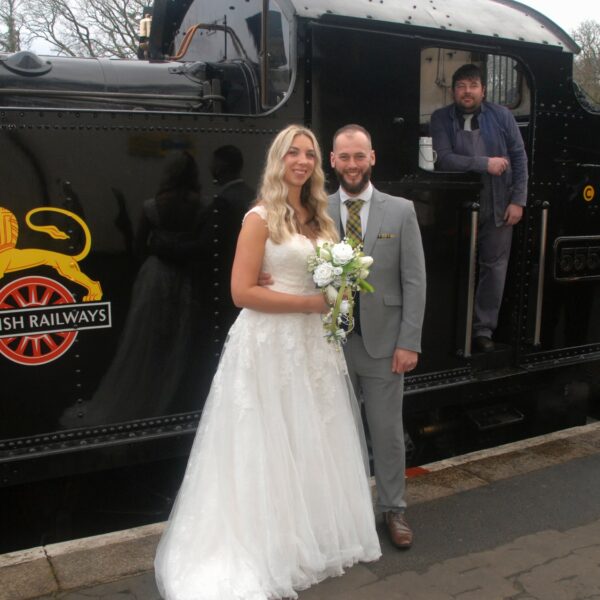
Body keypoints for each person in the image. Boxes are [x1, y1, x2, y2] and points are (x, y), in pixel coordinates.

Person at [154, 125, 381, 600]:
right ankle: (265, 545)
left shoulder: (320, 218)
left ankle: (306, 537)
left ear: (318, 164)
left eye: (309, 154)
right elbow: (242, 293)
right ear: (278, 160)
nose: (301, 160)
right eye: (292, 153)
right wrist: (310, 305)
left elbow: (328, 282)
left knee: (307, 435)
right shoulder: (259, 217)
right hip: (269, 343)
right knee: (267, 437)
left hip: (311, 346)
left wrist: (335, 297)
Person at [329, 124, 427, 549]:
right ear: (333, 161)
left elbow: (415, 281)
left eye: (359, 156)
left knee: (386, 432)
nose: (352, 165)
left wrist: (410, 341)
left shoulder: (401, 210)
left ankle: (393, 510)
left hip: (385, 344)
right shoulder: (315, 208)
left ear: (373, 158)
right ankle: (345, 516)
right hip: (329, 344)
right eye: (344, 157)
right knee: (337, 433)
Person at [430, 63, 528, 353]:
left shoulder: (502, 117)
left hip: (498, 204)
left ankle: (482, 330)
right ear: (454, 91)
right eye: (461, 86)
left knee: (494, 270)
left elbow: (520, 159)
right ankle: (450, 325)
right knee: (452, 264)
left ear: (483, 90)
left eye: (473, 85)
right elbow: (444, 159)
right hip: (455, 206)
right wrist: (485, 163)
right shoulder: (440, 119)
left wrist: (518, 201)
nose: (467, 91)